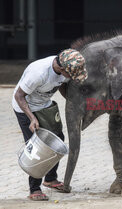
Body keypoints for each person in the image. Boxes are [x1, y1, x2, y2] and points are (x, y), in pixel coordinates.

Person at [12, 48, 87, 201]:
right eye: (70, 75)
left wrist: (74, 105)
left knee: (57, 139)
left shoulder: (66, 68)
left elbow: (63, 86)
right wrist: (32, 118)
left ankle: (50, 179)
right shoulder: (39, 73)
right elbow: (19, 96)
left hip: (45, 105)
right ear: (61, 68)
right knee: (38, 147)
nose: (71, 77)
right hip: (25, 107)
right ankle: (34, 189)